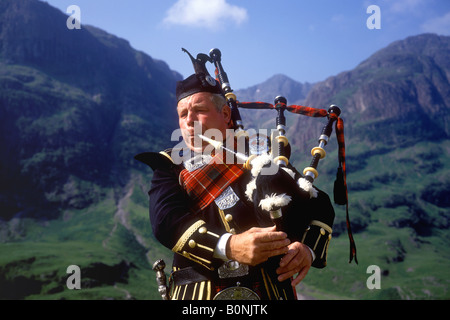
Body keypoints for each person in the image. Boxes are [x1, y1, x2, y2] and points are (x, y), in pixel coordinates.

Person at [136, 70, 335, 300]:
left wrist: (307, 250)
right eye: (182, 114)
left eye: (199, 110)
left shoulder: (259, 156)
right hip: (200, 295)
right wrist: (230, 246)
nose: (189, 121)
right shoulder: (170, 166)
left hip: (269, 292)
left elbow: (317, 202)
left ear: (226, 114)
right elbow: (165, 222)